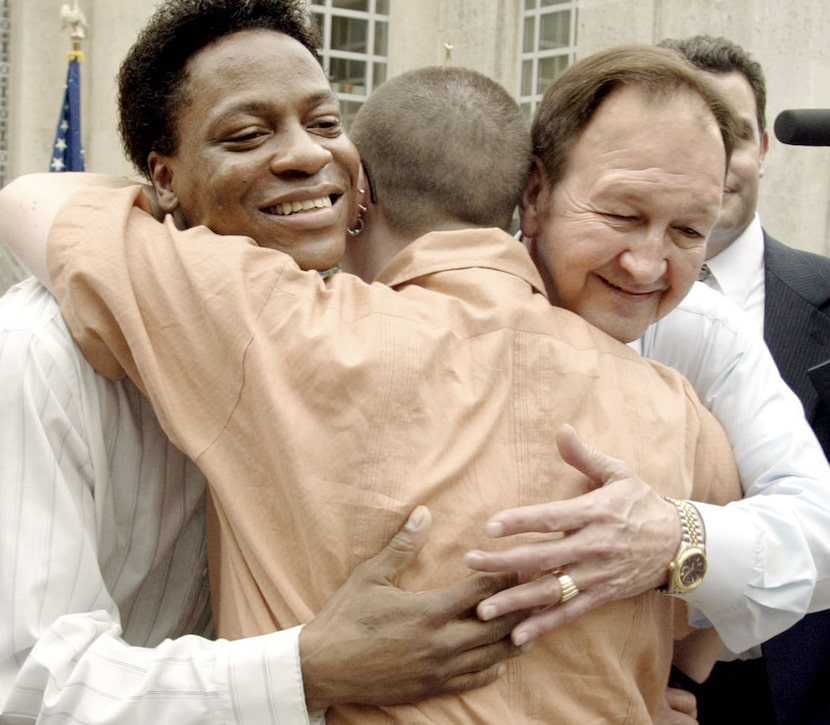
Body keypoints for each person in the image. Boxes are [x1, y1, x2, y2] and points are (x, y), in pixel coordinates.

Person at [1, 51, 743, 722]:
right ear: (527, 198)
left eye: (325, 125)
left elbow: (36, 206)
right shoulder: (680, 409)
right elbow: (706, 627)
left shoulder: (280, 328)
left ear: (358, 192)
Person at [0, 2, 527, 723]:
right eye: (247, 134)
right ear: (164, 178)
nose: (306, 155)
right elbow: (30, 680)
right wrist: (305, 669)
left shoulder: (367, 324)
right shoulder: (41, 353)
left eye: (324, 124)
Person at [464, 31, 830, 719]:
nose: (647, 265)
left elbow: (821, 529)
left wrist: (675, 541)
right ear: (536, 193)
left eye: (689, 232)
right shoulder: (440, 313)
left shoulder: (706, 330)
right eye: (622, 215)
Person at [659, 34, 830, 725]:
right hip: (623, 679)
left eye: (727, 133)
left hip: (797, 688)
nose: (708, 161)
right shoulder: (576, 293)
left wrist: (709, 635)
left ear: (762, 144)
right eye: (682, 135)